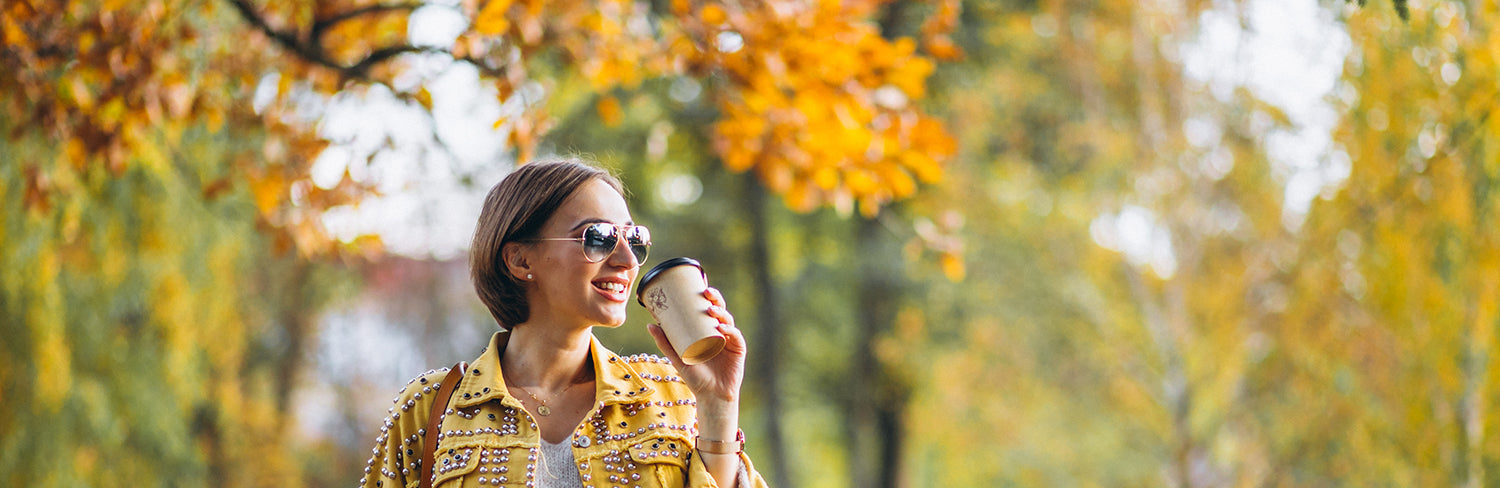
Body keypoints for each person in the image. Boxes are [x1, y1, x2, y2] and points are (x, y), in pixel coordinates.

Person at [359, 159, 768, 488]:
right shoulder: (430, 407)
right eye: (599, 237)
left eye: (634, 238)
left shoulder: (669, 395)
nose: (627, 261)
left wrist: (718, 405)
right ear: (520, 260)